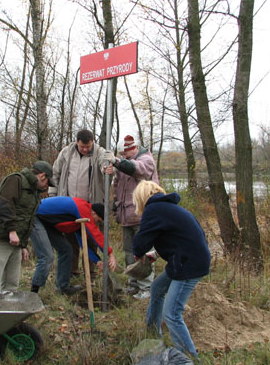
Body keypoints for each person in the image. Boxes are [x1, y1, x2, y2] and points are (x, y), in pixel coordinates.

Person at [132, 180, 210, 359]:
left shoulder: (153, 209)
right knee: (157, 288)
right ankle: (152, 333)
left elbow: (139, 243)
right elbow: (176, 237)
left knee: (172, 313)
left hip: (187, 264)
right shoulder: (168, 208)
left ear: (141, 198)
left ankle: (189, 358)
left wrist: (139, 253)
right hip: (186, 259)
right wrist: (156, 253)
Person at [0, 160, 54, 292]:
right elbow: (5, 204)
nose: (46, 186)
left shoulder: (34, 193)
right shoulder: (15, 179)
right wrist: (12, 231)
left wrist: (23, 245)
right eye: (47, 182)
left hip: (16, 242)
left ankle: (6, 312)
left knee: (11, 286)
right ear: (42, 176)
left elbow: (27, 219)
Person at [51, 129, 114, 278]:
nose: (85, 149)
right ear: (77, 142)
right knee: (70, 241)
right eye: (82, 147)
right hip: (69, 206)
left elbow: (104, 164)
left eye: (88, 147)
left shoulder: (99, 152)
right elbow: (55, 173)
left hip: (89, 207)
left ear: (92, 142)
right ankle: (72, 273)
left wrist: (106, 168)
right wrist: (53, 194)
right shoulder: (66, 152)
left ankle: (90, 274)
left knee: (91, 240)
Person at [104, 135, 159, 300]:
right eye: (121, 154)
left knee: (145, 252)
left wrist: (117, 162)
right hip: (126, 216)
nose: (123, 156)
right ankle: (133, 284)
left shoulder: (146, 160)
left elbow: (137, 169)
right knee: (129, 252)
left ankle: (146, 287)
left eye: (124, 153)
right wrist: (115, 205)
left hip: (143, 217)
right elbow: (117, 185)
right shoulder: (124, 162)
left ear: (133, 148)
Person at [30, 197, 117, 295]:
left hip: (48, 223)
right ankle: (33, 293)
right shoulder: (83, 208)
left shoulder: (78, 219)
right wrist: (110, 254)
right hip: (35, 216)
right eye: (99, 220)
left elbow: (84, 244)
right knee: (47, 256)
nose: (97, 223)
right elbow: (95, 234)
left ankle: (62, 288)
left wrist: (97, 261)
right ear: (94, 213)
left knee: (66, 250)